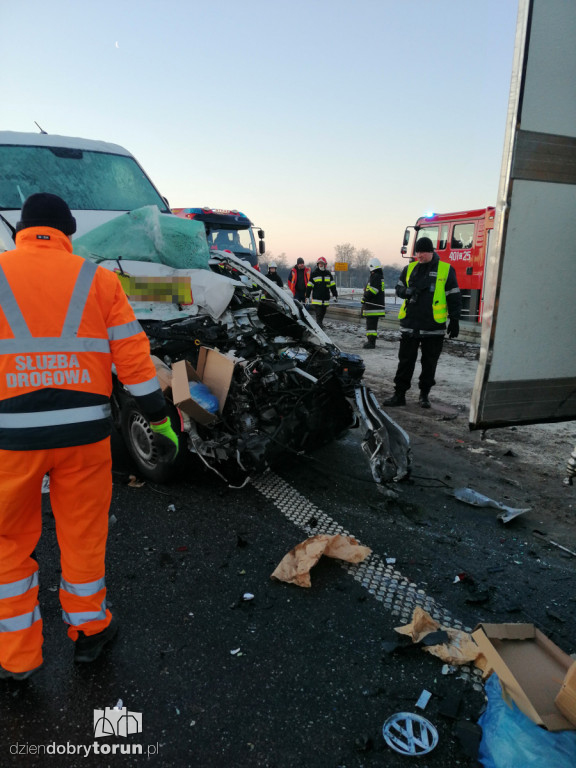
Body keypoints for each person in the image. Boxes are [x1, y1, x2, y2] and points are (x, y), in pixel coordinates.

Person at [0, 193, 179, 680]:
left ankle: (16, 658)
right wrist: (158, 419)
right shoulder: (97, 280)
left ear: (23, 229)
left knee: (8, 542)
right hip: (85, 435)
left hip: (10, 439)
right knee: (82, 534)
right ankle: (90, 632)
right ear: (67, 232)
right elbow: (135, 360)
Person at [383, 236, 461, 409]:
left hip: (433, 327)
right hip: (410, 324)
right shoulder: (409, 268)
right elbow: (398, 289)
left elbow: (454, 296)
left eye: (423, 252)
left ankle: (424, 395)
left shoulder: (446, 269)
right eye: (417, 252)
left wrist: (455, 319)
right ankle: (399, 394)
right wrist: (407, 291)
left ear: (431, 251)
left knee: (429, 364)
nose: (419, 255)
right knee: (405, 362)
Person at [305, 257, 338, 329]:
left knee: (322, 314)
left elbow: (332, 286)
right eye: (319, 263)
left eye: (322, 263)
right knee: (318, 314)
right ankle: (318, 327)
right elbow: (309, 286)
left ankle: (319, 325)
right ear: (317, 264)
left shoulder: (328, 274)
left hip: (325, 300)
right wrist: (307, 296)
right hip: (317, 299)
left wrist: (335, 295)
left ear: (325, 264)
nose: (320, 265)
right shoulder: (314, 274)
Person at [361, 257, 386, 349]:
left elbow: (373, 290)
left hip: (373, 306)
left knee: (371, 326)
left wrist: (365, 297)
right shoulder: (378, 276)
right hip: (374, 306)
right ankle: (371, 341)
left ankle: (371, 343)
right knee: (372, 325)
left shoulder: (376, 276)